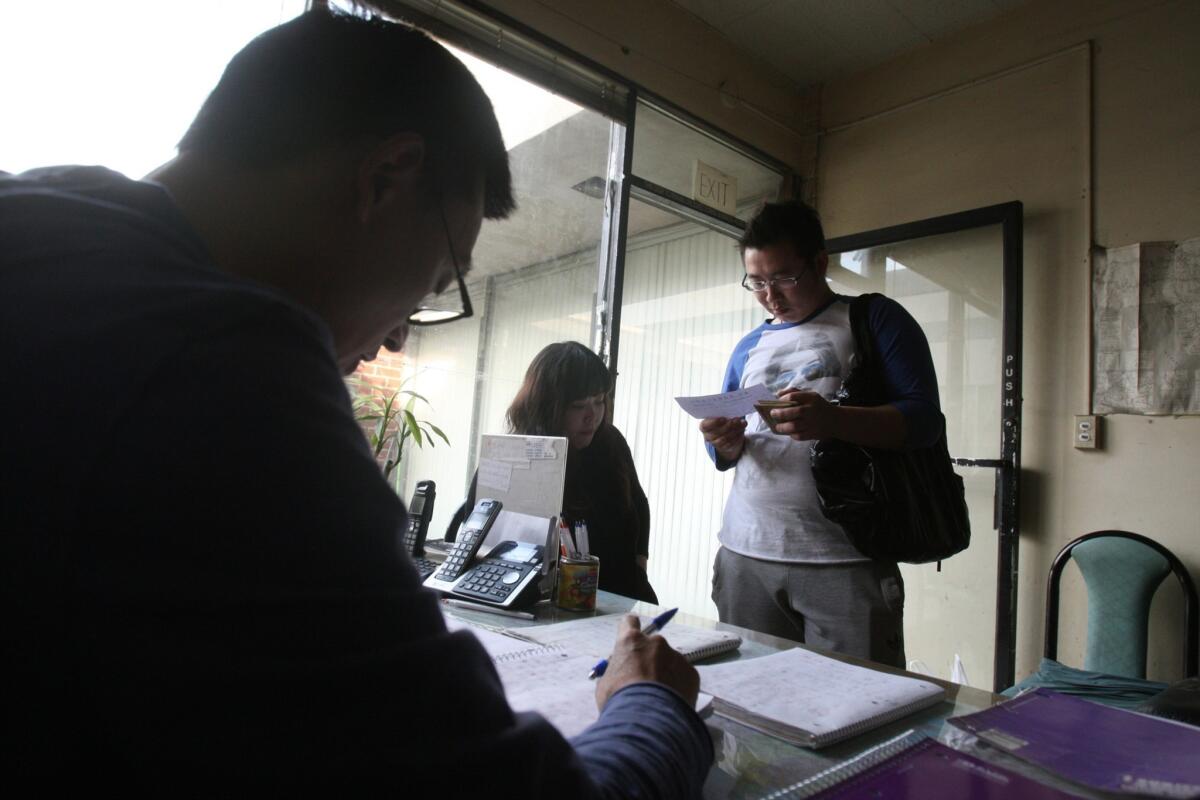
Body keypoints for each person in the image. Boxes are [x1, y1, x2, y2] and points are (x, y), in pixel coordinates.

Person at [1, 11, 711, 795]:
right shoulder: (220, 365)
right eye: (439, 282)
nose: (400, 340)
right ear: (384, 177)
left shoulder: (45, 242)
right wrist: (651, 705)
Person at [699, 200, 944, 669]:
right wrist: (721, 443)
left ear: (819, 262)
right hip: (745, 554)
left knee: (858, 710)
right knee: (749, 703)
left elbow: (924, 422)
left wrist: (833, 420)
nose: (771, 295)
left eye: (784, 277)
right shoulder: (749, 345)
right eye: (758, 282)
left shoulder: (874, 321)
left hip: (846, 558)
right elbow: (727, 444)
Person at [505, 341, 658, 603]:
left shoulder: (610, 441)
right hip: (554, 601)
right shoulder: (519, 453)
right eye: (578, 406)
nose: (593, 415)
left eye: (599, 401)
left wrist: (639, 566)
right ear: (546, 407)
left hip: (625, 596)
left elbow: (639, 504)